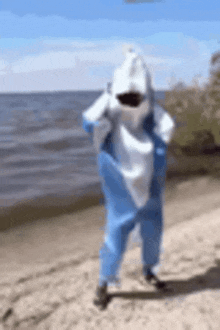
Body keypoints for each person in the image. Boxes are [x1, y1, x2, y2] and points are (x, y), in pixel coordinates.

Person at [82, 47, 175, 310]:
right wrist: (100, 125)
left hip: (150, 177)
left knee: (153, 229)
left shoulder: (150, 105)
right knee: (116, 231)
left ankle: (149, 271)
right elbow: (89, 119)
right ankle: (103, 282)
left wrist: (159, 146)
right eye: (126, 96)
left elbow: (166, 125)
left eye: (137, 97)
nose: (131, 102)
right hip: (119, 179)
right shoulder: (110, 101)